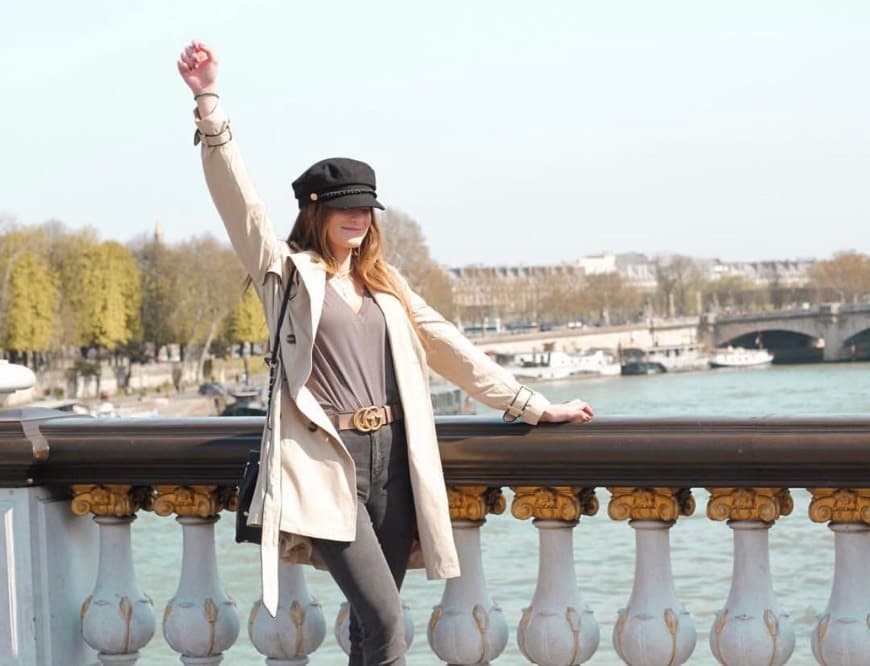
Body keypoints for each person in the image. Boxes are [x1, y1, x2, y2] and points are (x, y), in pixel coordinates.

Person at [177, 39, 594, 666]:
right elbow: (241, 204)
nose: (358, 220)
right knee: (386, 620)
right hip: (327, 463)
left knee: (369, 628)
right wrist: (209, 103)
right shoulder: (286, 275)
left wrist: (534, 405)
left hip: (395, 462)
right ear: (314, 211)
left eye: (366, 210)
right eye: (345, 208)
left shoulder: (385, 283)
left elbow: (450, 347)